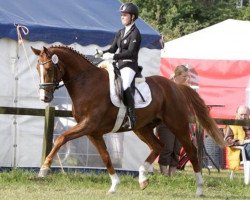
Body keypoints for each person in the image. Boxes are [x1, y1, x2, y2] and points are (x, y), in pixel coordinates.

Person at [95, 2, 141, 129]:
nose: (122, 17)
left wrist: (114, 56)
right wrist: (102, 53)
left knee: (125, 86)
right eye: (122, 15)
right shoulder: (120, 32)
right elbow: (112, 48)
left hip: (130, 65)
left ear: (132, 17)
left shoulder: (135, 33)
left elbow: (131, 53)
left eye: (125, 15)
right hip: (118, 65)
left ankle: (131, 117)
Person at [156, 64, 191, 176]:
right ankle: (164, 173)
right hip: (166, 123)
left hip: (181, 124)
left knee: (176, 149)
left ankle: (172, 173)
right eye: (184, 76)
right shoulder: (168, 86)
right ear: (177, 75)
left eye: (187, 76)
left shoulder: (186, 89)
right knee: (167, 148)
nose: (186, 79)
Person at [224, 105, 250, 171]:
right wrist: (243, 142)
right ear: (237, 114)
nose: (243, 117)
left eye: (245, 115)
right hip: (240, 151)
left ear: (249, 114)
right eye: (241, 114)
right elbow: (227, 141)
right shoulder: (232, 124)